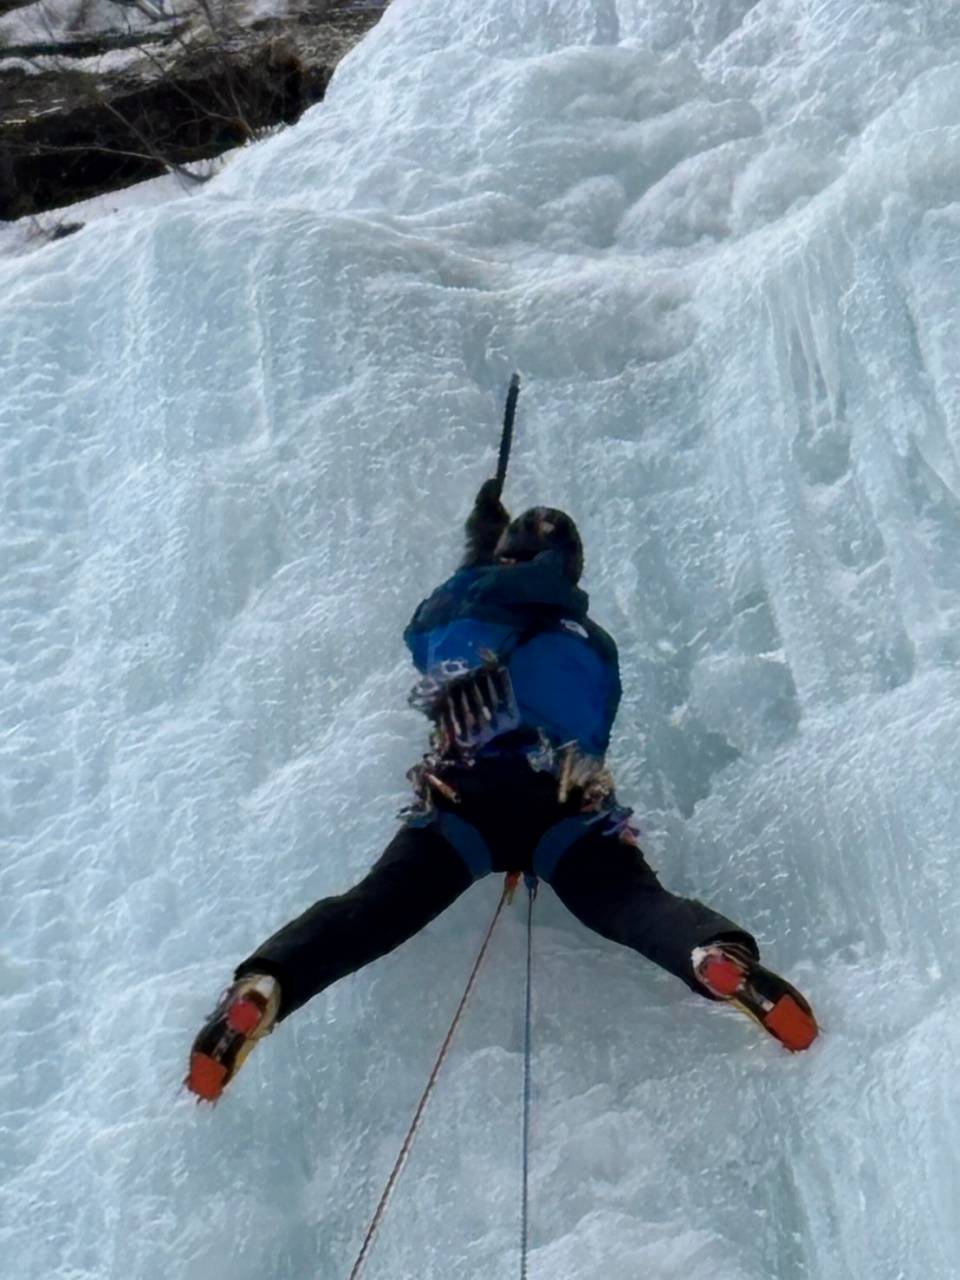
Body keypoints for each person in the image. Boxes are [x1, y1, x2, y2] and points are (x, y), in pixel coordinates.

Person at [187, 480, 817, 1101]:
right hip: (566, 804)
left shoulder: (466, 601)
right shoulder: (594, 643)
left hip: (465, 798)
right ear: (570, 567)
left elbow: (426, 636)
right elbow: (594, 731)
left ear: (503, 556)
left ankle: (266, 988)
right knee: (634, 905)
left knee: (370, 912)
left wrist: (476, 546)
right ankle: (710, 954)